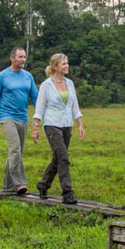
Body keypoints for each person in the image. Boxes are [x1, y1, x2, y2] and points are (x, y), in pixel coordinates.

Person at [31, 53, 85, 204]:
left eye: (67, 63)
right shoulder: (46, 85)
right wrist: (35, 128)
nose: (67, 66)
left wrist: (80, 124)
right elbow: (39, 108)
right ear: (55, 67)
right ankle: (67, 193)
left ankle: (43, 185)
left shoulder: (70, 84)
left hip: (67, 125)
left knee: (57, 158)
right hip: (52, 124)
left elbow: (75, 107)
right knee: (63, 158)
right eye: (64, 64)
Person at [0, 47, 37, 194]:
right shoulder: (2, 76)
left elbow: (36, 96)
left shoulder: (28, 76)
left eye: (25, 57)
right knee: (14, 149)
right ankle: (20, 183)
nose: (23, 60)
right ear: (12, 58)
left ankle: (7, 186)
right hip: (7, 117)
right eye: (20, 57)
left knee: (17, 153)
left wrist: (41, 114)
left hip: (23, 118)